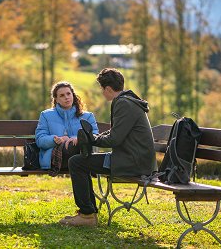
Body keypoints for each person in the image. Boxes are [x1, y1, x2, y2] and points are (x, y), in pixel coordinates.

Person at [59, 68, 157, 227]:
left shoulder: (123, 103)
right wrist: (94, 138)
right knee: (80, 161)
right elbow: (116, 132)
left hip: (132, 163)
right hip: (132, 159)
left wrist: (91, 140)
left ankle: (87, 215)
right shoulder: (127, 100)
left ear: (108, 89)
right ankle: (87, 213)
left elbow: (115, 139)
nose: (102, 92)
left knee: (77, 163)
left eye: (102, 89)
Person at [35, 81, 99, 171]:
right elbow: (40, 140)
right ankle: (83, 155)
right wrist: (56, 139)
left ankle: (81, 150)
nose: (66, 97)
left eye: (68, 94)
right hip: (57, 158)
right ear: (56, 99)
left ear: (73, 95)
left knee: (76, 145)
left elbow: (95, 136)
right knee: (72, 147)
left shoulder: (87, 116)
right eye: (62, 95)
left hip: (79, 154)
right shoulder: (46, 115)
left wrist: (77, 139)